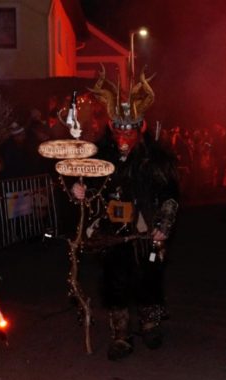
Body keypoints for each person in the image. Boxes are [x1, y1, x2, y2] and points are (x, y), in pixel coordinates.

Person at [75, 67, 180, 361]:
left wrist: (163, 225)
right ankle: (120, 334)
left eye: (129, 131)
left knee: (149, 277)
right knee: (114, 283)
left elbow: (170, 195)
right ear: (112, 128)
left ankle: (150, 324)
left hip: (144, 230)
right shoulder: (99, 156)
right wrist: (79, 191)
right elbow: (91, 188)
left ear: (140, 129)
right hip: (111, 231)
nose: (123, 136)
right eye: (119, 131)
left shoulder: (155, 159)